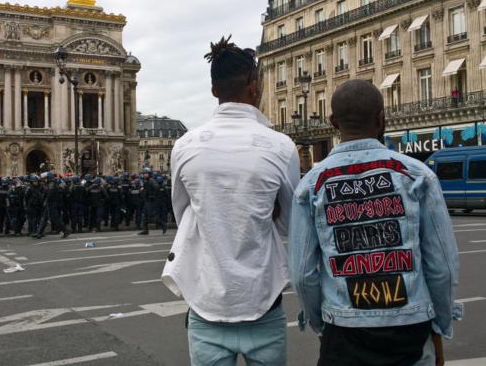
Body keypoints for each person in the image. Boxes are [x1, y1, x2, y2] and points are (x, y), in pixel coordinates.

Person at [288, 79, 462, 366]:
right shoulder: (418, 175)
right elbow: (442, 264)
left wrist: (323, 323)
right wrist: (440, 324)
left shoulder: (311, 185)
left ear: (333, 121)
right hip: (410, 329)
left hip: (344, 332)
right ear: (382, 117)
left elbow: (302, 274)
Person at [161, 35, 299, 366]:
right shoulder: (280, 146)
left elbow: (185, 216)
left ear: (213, 91)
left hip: (206, 300)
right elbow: (291, 223)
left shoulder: (184, 146)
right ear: (254, 85)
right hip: (263, 301)